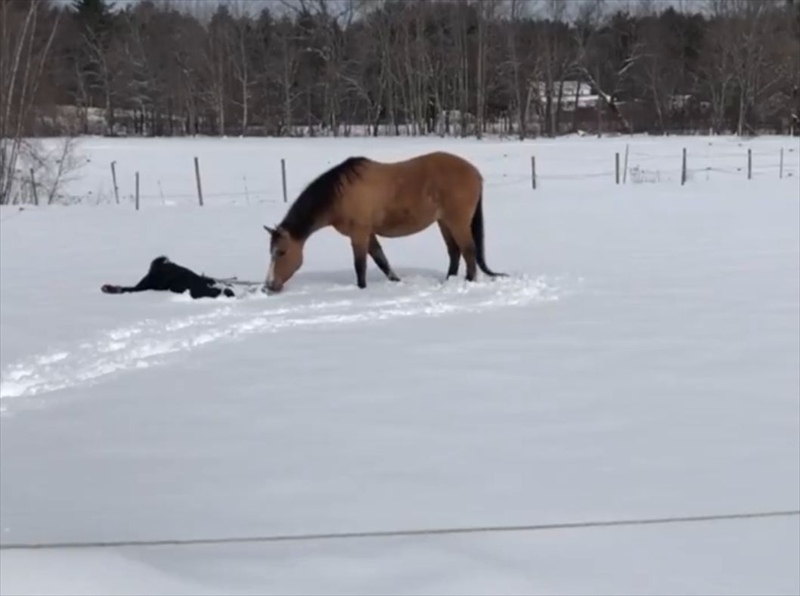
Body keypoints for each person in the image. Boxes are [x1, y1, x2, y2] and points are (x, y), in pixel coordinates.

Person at [101, 255, 237, 299]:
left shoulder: (168, 272)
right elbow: (139, 289)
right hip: (187, 285)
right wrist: (119, 290)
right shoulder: (155, 276)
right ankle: (221, 292)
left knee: (198, 286)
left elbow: (139, 289)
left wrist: (120, 290)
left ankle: (221, 291)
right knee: (199, 287)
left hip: (188, 283)